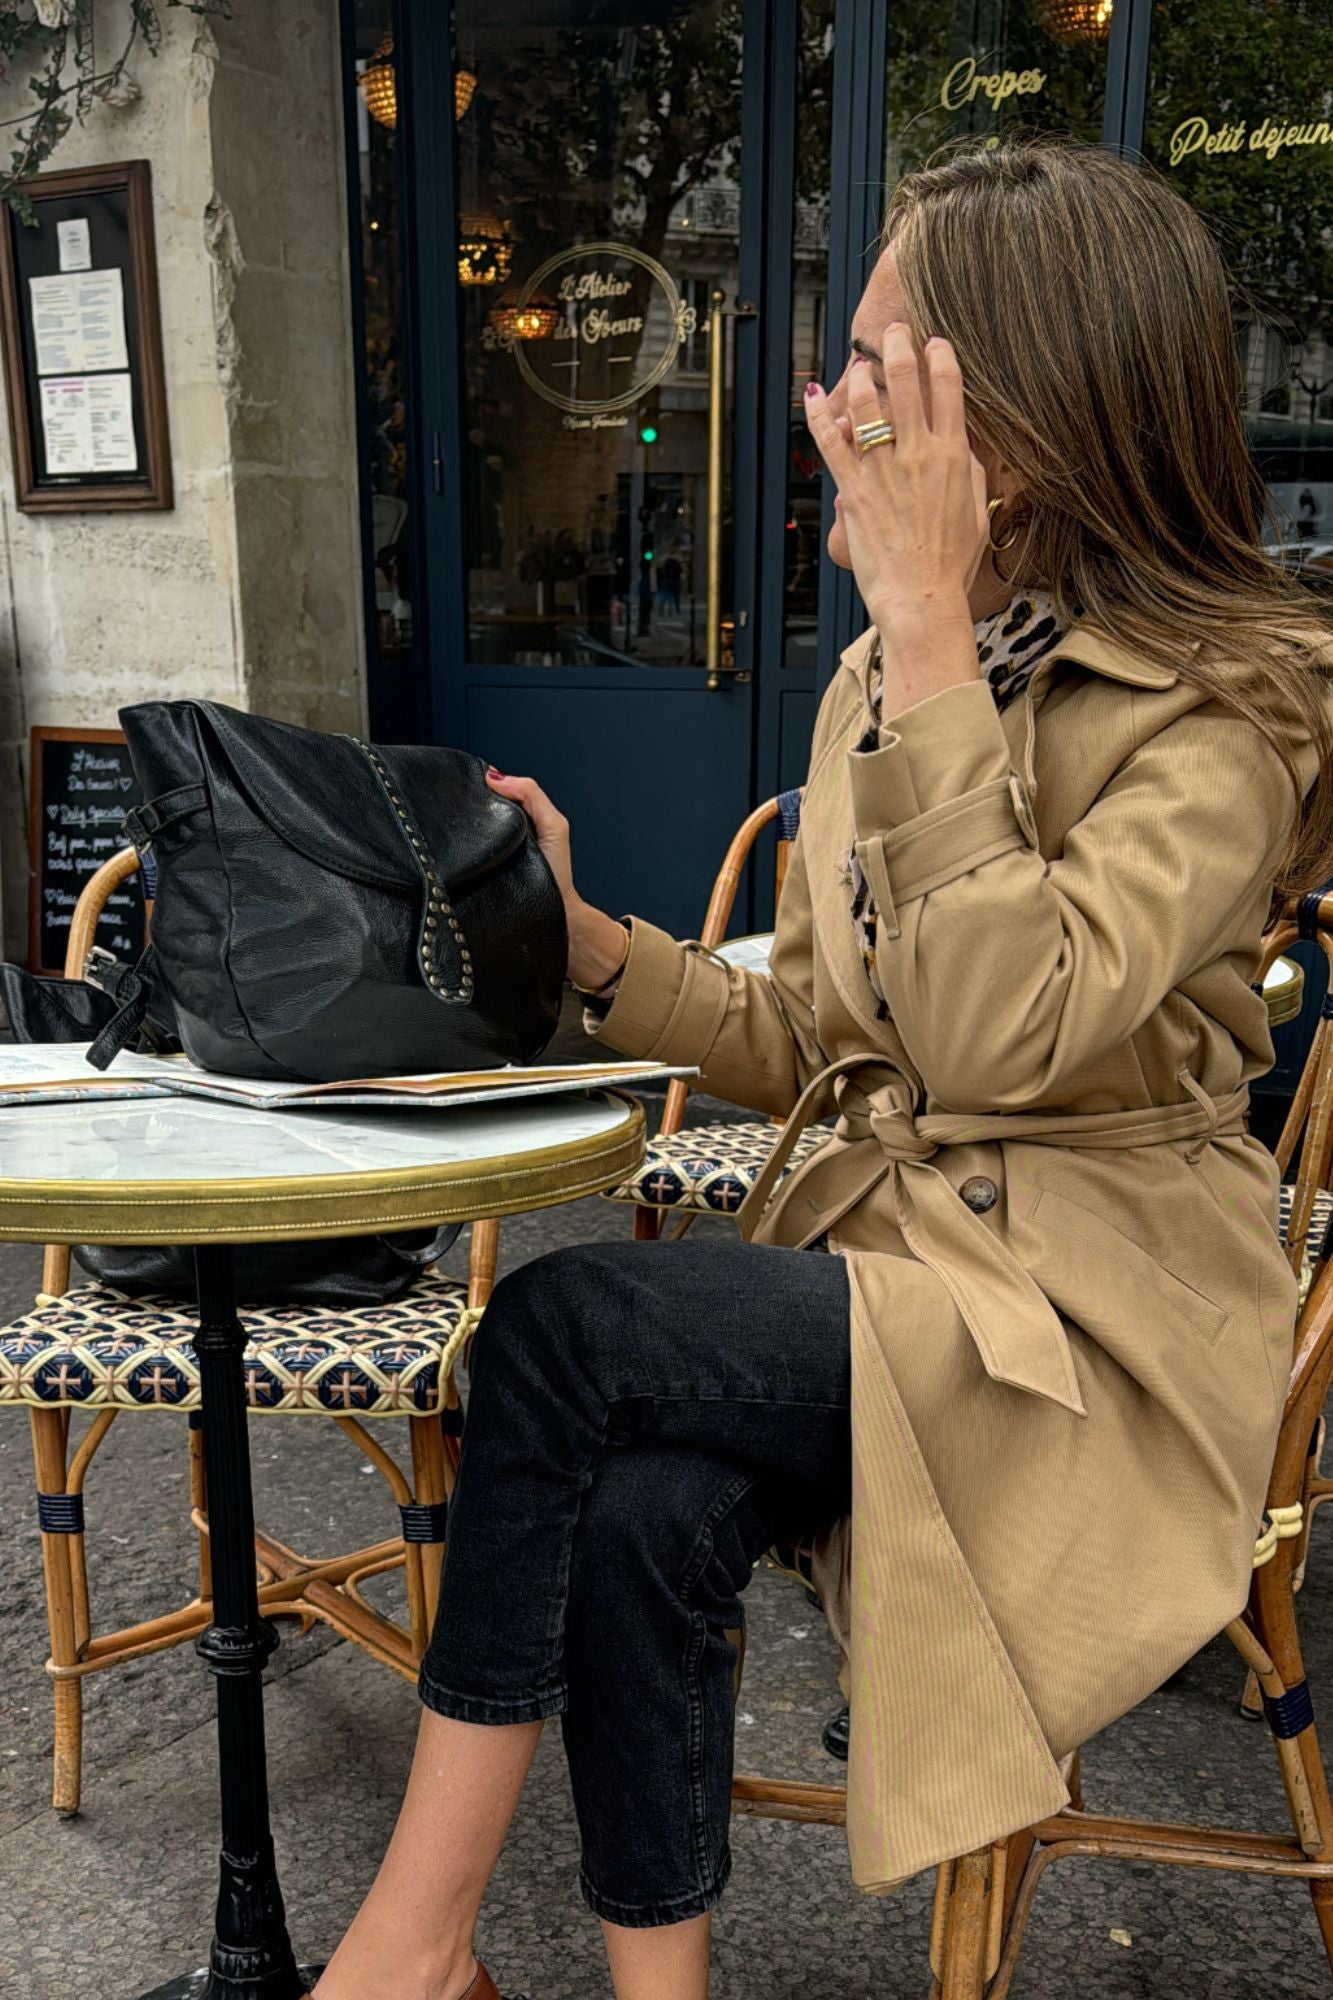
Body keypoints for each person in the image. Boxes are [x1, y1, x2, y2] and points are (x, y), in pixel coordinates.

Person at [314, 137, 1333, 2000]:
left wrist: (927, 627)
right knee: (635, 1508)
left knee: (563, 1329)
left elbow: (997, 1029)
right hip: (898, 1281)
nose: (824, 409)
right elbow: (825, 1041)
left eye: (872, 371)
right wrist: (589, 939)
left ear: (1009, 417)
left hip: (1093, 1334)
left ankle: (413, 1951)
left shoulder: (1233, 702)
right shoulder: (886, 676)